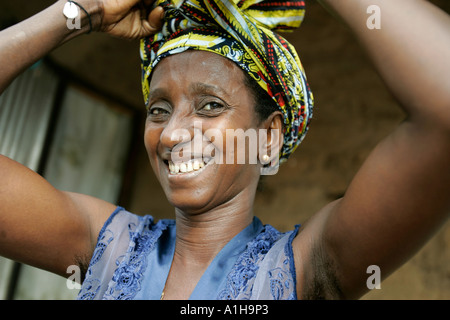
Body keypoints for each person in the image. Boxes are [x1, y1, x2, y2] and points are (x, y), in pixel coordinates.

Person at [0, 0, 449, 300]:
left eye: (210, 105)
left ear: (268, 137)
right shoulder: (108, 248)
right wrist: (81, 12)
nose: (173, 134)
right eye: (158, 109)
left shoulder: (299, 272)